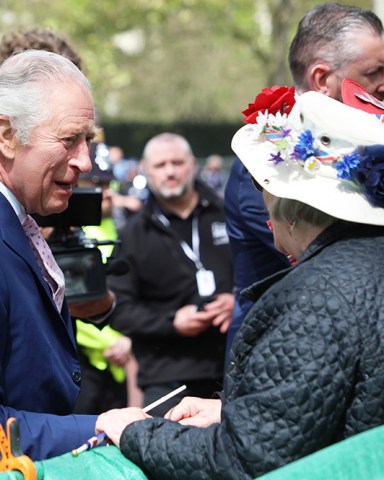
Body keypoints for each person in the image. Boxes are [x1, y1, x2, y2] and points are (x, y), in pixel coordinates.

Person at [96, 84, 384, 479]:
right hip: (167, 371)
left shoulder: (316, 296)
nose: (258, 200)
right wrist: (235, 411)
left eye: (261, 185)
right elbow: (311, 412)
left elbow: (241, 460)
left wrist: (134, 432)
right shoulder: (362, 264)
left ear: (289, 207)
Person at [223, 1, 384, 365]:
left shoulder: (365, 143)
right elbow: (329, 253)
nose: (383, 84)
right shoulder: (272, 162)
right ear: (322, 79)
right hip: (283, 357)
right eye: (374, 71)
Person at [0, 49, 104, 461]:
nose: (85, 160)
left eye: (88, 140)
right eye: (69, 139)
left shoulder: (21, 221)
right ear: (6, 136)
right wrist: (98, 427)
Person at [106, 132, 234, 415]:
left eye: (177, 163)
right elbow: (120, 308)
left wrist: (237, 301)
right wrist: (171, 322)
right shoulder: (133, 233)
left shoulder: (228, 214)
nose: (170, 171)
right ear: (145, 171)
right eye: (160, 165)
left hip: (232, 365)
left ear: (192, 165)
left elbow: (264, 274)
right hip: (167, 375)